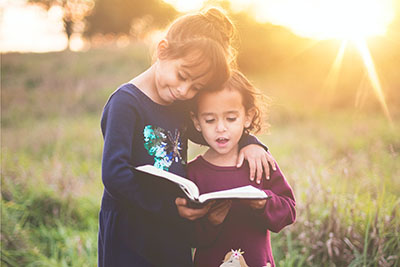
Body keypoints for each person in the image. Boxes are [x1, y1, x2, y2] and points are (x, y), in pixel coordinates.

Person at [98, 8, 275, 267]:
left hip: (172, 227)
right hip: (130, 230)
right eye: (182, 76)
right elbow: (114, 175)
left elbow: (213, 133)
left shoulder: (180, 104)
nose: (184, 90)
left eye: (196, 88)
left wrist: (251, 143)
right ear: (162, 50)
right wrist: (170, 207)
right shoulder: (126, 103)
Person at [188, 70, 297, 267]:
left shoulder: (260, 162)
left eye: (231, 118)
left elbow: (289, 211)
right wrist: (210, 221)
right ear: (196, 121)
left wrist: (263, 203)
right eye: (210, 120)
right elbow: (188, 236)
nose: (221, 128)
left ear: (248, 117)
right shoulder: (193, 173)